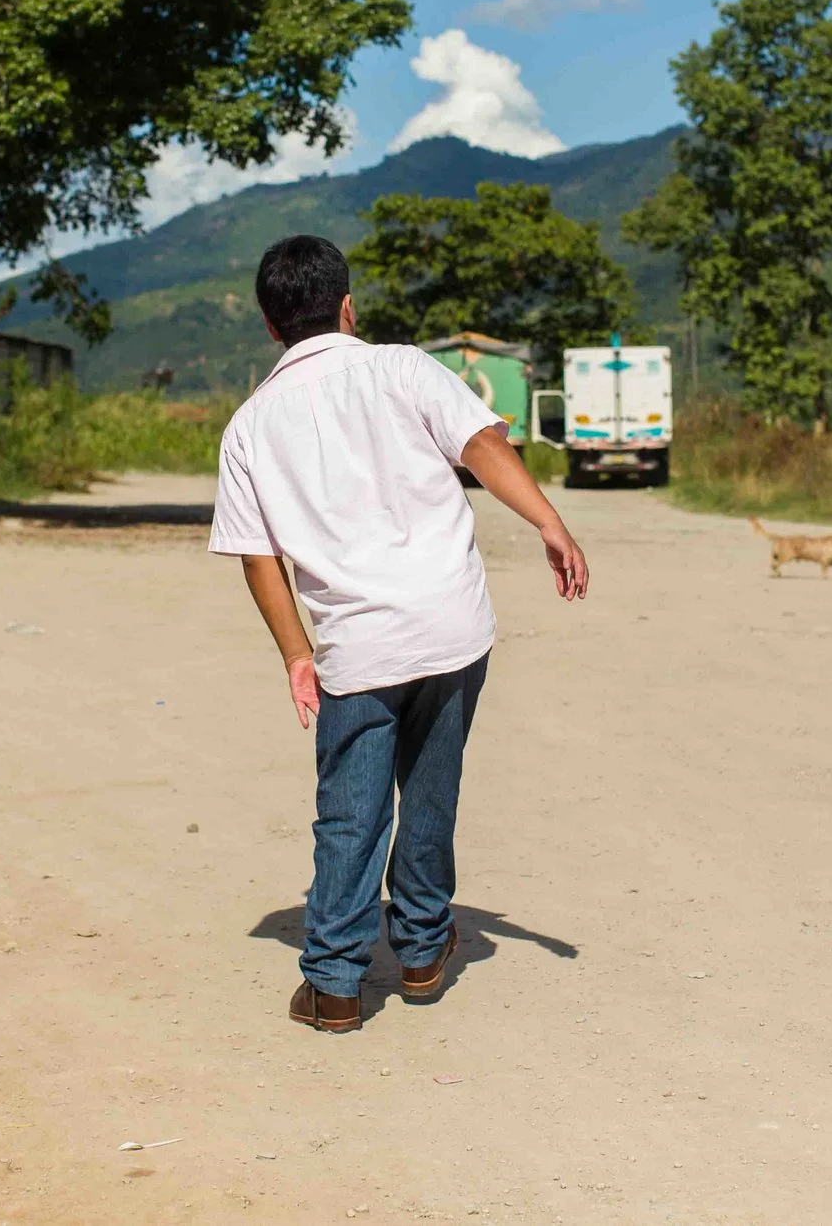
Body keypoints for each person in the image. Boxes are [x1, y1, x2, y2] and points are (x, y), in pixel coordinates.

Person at [210, 235, 590, 1034]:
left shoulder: (248, 426)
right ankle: (420, 951)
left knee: (351, 811)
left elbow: (257, 557)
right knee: (430, 789)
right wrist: (550, 523)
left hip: (359, 646)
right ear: (348, 307)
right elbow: (485, 445)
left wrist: (296, 653)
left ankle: (336, 984)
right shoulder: (405, 367)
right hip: (453, 625)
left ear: (271, 328)